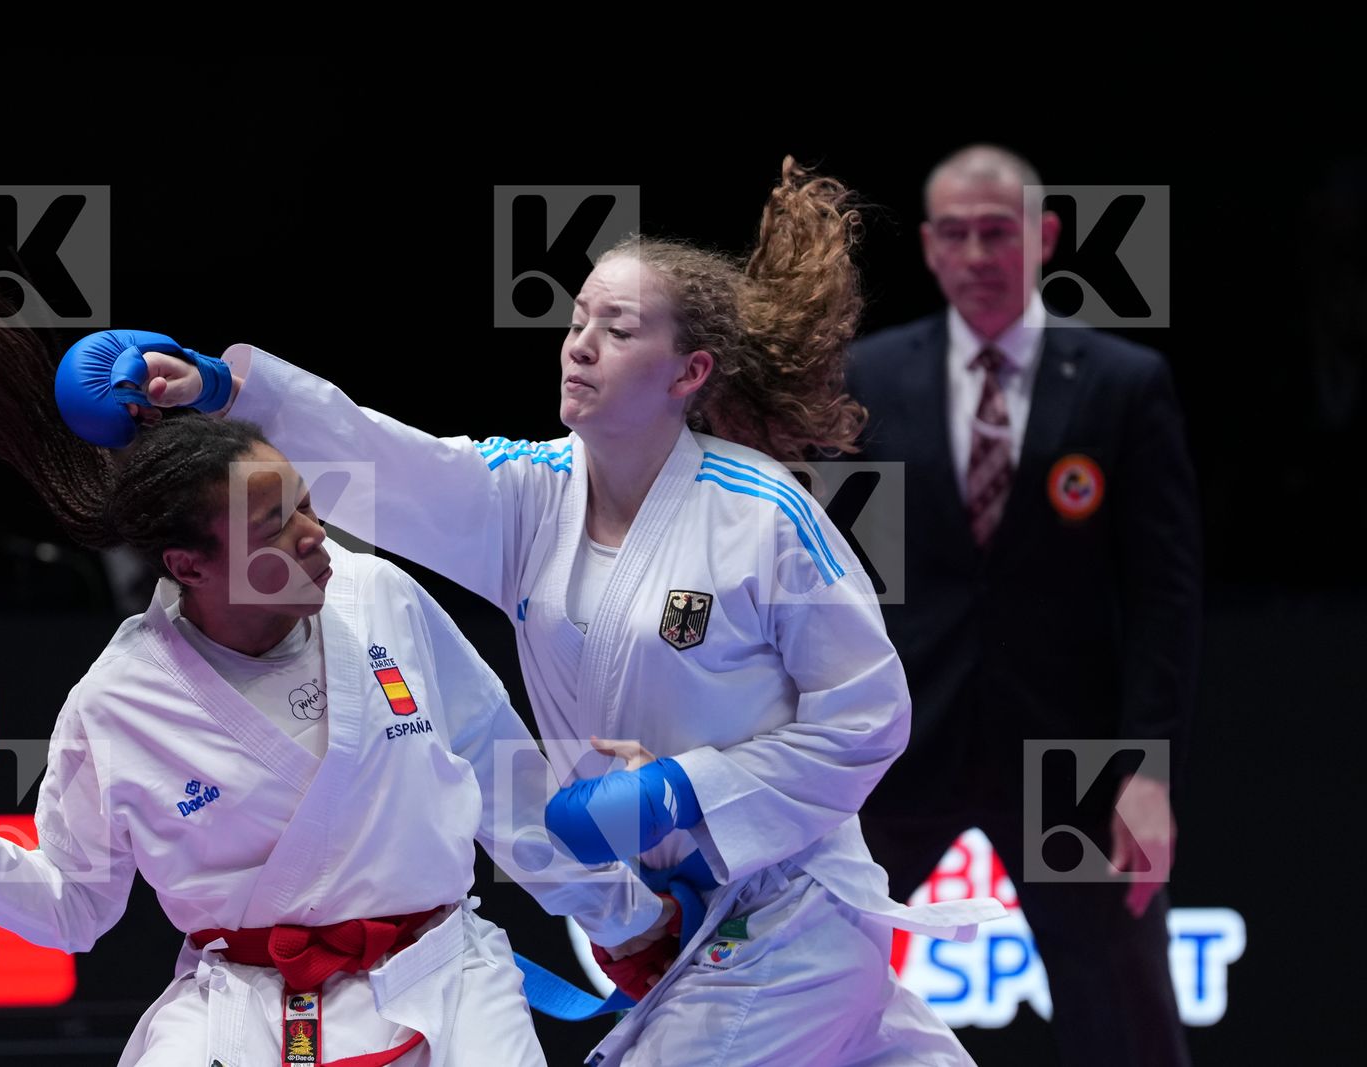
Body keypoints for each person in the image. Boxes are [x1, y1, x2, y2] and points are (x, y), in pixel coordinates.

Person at [120, 158, 1004, 1066]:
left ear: (688, 371)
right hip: (678, 917)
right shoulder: (528, 498)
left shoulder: (764, 519)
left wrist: (683, 789)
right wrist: (230, 396)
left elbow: (869, 716)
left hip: (787, 909)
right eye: (578, 320)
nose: (579, 344)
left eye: (617, 330)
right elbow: (385, 461)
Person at [0, 269, 668, 1067]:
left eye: (303, 500)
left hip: (443, 984)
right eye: (273, 523)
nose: (312, 534)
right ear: (188, 565)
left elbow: (506, 777)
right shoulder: (119, 701)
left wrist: (629, 926)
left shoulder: (378, 596)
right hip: (244, 1011)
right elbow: (76, 902)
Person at [838, 145, 1200, 1066]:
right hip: (901, 736)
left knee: (1123, 1010)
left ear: (1043, 237)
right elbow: (827, 575)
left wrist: (1148, 771)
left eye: (998, 232)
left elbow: (1162, 591)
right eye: (955, 234)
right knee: (814, 969)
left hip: (1071, 757)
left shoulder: (1121, 382)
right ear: (927, 246)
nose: (977, 254)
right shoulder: (867, 380)